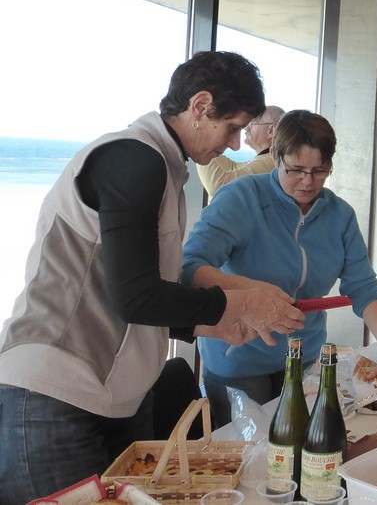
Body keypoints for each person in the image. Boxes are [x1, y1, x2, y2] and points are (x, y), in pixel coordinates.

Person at [0, 51, 304, 505]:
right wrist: (240, 304)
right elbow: (135, 297)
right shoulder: (133, 157)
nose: (235, 144)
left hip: (117, 395)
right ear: (200, 106)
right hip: (55, 394)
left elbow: (138, 296)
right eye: (232, 127)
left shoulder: (163, 167)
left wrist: (212, 325)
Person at [181, 109, 377, 427]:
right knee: (252, 454)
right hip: (238, 359)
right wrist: (255, 293)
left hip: (305, 359)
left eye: (319, 171)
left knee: (305, 447)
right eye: (296, 169)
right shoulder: (241, 198)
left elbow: (364, 289)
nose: (307, 182)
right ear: (275, 156)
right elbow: (191, 268)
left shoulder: (339, 215)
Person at [197, 104, 284, 197]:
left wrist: (200, 143)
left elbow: (219, 187)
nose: (246, 128)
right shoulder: (267, 160)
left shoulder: (270, 164)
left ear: (271, 131)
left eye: (254, 121)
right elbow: (232, 168)